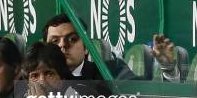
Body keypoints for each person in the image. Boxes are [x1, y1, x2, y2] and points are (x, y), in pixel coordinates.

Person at [42, 14, 178, 81]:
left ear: (86, 47)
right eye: (54, 41)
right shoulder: (35, 78)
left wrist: (169, 69)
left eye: (72, 39)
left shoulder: (112, 73)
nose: (63, 45)